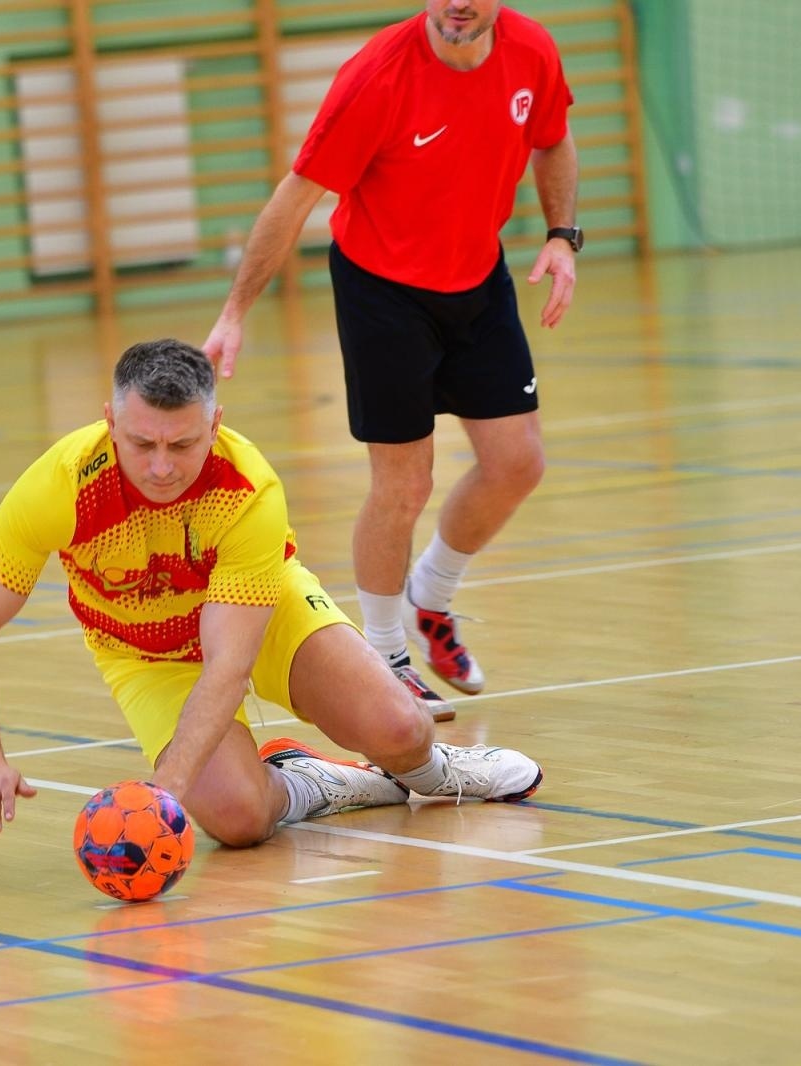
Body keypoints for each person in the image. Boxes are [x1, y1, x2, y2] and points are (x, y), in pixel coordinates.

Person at [0, 339, 541, 848]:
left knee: (400, 728)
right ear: (109, 422)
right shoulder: (59, 486)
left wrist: (162, 801)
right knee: (238, 820)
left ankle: (433, 770)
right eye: (141, 444)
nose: (160, 467)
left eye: (182, 445)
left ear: (215, 425)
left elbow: (228, 664)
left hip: (262, 613)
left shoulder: (248, 487)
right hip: (146, 656)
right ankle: (319, 783)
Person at [203, 0, 580, 719]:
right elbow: (297, 195)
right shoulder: (376, 77)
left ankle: (429, 601)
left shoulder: (531, 51)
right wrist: (235, 311)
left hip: (477, 276)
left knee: (518, 463)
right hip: (384, 288)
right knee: (404, 482)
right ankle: (385, 656)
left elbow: (553, 139)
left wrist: (563, 234)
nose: (459, 4)